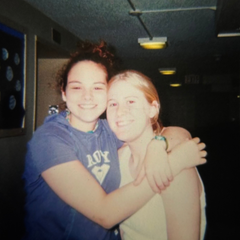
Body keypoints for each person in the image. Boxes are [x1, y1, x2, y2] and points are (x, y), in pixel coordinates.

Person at [22, 41, 206, 240]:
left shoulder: (111, 132)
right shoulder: (50, 139)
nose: (87, 96)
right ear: (64, 92)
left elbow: (173, 133)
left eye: (98, 88)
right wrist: (174, 163)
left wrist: (159, 143)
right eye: (77, 87)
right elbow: (106, 214)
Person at [107, 70, 207, 240]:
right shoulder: (118, 159)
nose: (120, 112)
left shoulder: (175, 162)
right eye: (113, 104)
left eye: (130, 101)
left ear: (153, 109)